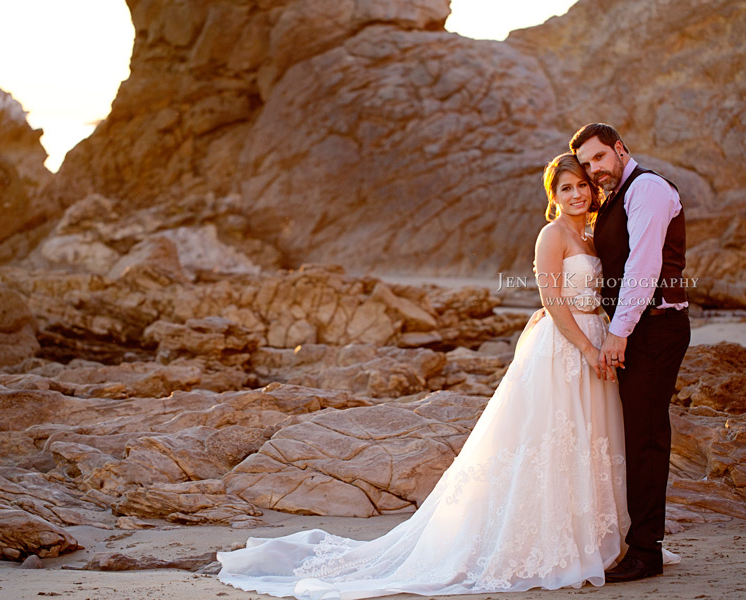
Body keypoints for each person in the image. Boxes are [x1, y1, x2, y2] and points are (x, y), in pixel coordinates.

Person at [216, 153, 630, 599]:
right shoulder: (552, 235)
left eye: (581, 186)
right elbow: (551, 299)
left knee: (587, 442)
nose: (575, 194)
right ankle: (544, 544)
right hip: (564, 349)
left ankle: (586, 538)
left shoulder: (588, 236)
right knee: (550, 440)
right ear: (553, 196)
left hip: (594, 340)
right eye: (565, 188)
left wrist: (605, 339)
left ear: (592, 190)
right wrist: (586, 347)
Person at [570, 123, 691, 582]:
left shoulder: (649, 189)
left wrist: (617, 333)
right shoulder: (615, 198)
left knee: (646, 437)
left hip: (656, 329)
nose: (593, 169)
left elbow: (643, 266)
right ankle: (635, 541)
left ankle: (646, 553)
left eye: (599, 158)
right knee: (633, 435)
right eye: (586, 164)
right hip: (632, 330)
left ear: (620, 150)